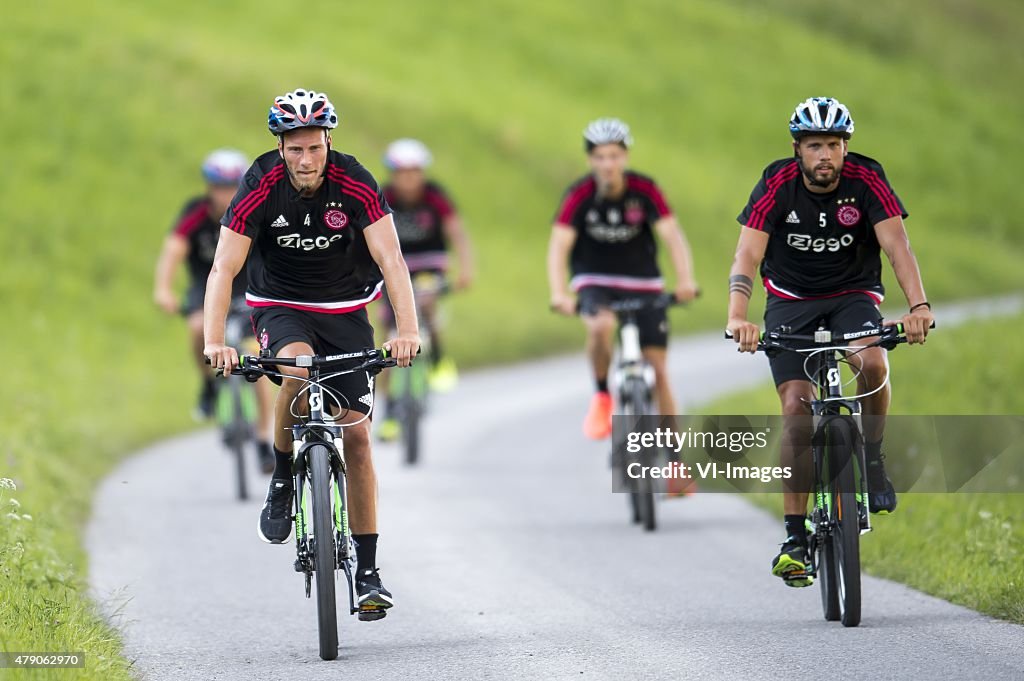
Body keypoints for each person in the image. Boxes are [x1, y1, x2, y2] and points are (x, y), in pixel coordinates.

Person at [203, 89, 419, 619]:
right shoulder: (259, 184)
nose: (306, 160)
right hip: (280, 305)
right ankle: (281, 479)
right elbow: (223, 268)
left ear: (329, 143)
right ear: (280, 148)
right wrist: (215, 341)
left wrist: (408, 331)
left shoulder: (356, 182)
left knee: (360, 437)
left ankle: (367, 572)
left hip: (346, 310)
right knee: (297, 370)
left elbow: (391, 259)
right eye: (295, 149)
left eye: (315, 148)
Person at [726, 97, 934, 587]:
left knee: (874, 364)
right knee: (796, 408)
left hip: (853, 295)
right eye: (815, 145)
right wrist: (739, 317)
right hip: (790, 301)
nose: (826, 155)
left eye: (835, 145)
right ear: (797, 149)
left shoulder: (866, 179)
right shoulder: (776, 183)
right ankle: (795, 537)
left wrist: (919, 308)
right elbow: (747, 254)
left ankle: (875, 461)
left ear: (846, 147)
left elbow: (897, 245)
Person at [547, 118, 700, 440]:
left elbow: (672, 236)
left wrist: (685, 281)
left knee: (658, 371)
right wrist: (559, 292)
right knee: (600, 326)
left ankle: (675, 460)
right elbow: (559, 245)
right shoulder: (579, 194)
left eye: (614, 156)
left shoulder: (645, 190)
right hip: (595, 280)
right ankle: (602, 394)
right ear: (590, 160)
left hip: (643, 281)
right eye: (600, 157)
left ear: (625, 157)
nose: (607, 165)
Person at [153, 149, 276, 472]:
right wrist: (163, 289)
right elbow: (173, 250)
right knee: (197, 327)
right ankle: (208, 383)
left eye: (232, 186)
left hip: (247, 289)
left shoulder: (254, 209)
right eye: (219, 186)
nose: (226, 194)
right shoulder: (196, 212)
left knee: (257, 362)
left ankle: (265, 440)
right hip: (206, 286)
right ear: (209, 187)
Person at [376, 139, 474, 441]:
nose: (408, 180)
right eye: (402, 173)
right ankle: (390, 410)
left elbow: (456, 231)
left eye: (414, 172)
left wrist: (466, 268)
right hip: (397, 262)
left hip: (430, 262)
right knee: (389, 331)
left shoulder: (435, 196)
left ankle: (438, 357)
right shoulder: (384, 196)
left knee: (428, 300)